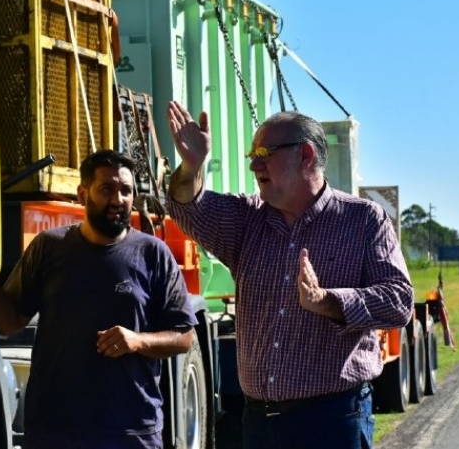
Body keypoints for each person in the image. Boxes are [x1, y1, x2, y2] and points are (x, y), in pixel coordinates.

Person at [164, 101, 414, 449]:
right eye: (252, 154)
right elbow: (184, 204)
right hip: (259, 424)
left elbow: (399, 301)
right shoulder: (247, 220)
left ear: (306, 154)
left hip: (332, 421)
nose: (254, 164)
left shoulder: (363, 220)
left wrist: (328, 301)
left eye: (264, 153)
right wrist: (191, 166)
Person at [0, 149, 198, 449]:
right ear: (83, 194)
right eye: (107, 188)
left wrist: (137, 341)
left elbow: (184, 337)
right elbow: (10, 322)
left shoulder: (153, 254)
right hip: (55, 432)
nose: (118, 199)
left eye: (126, 190)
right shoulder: (49, 248)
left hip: (131, 432)